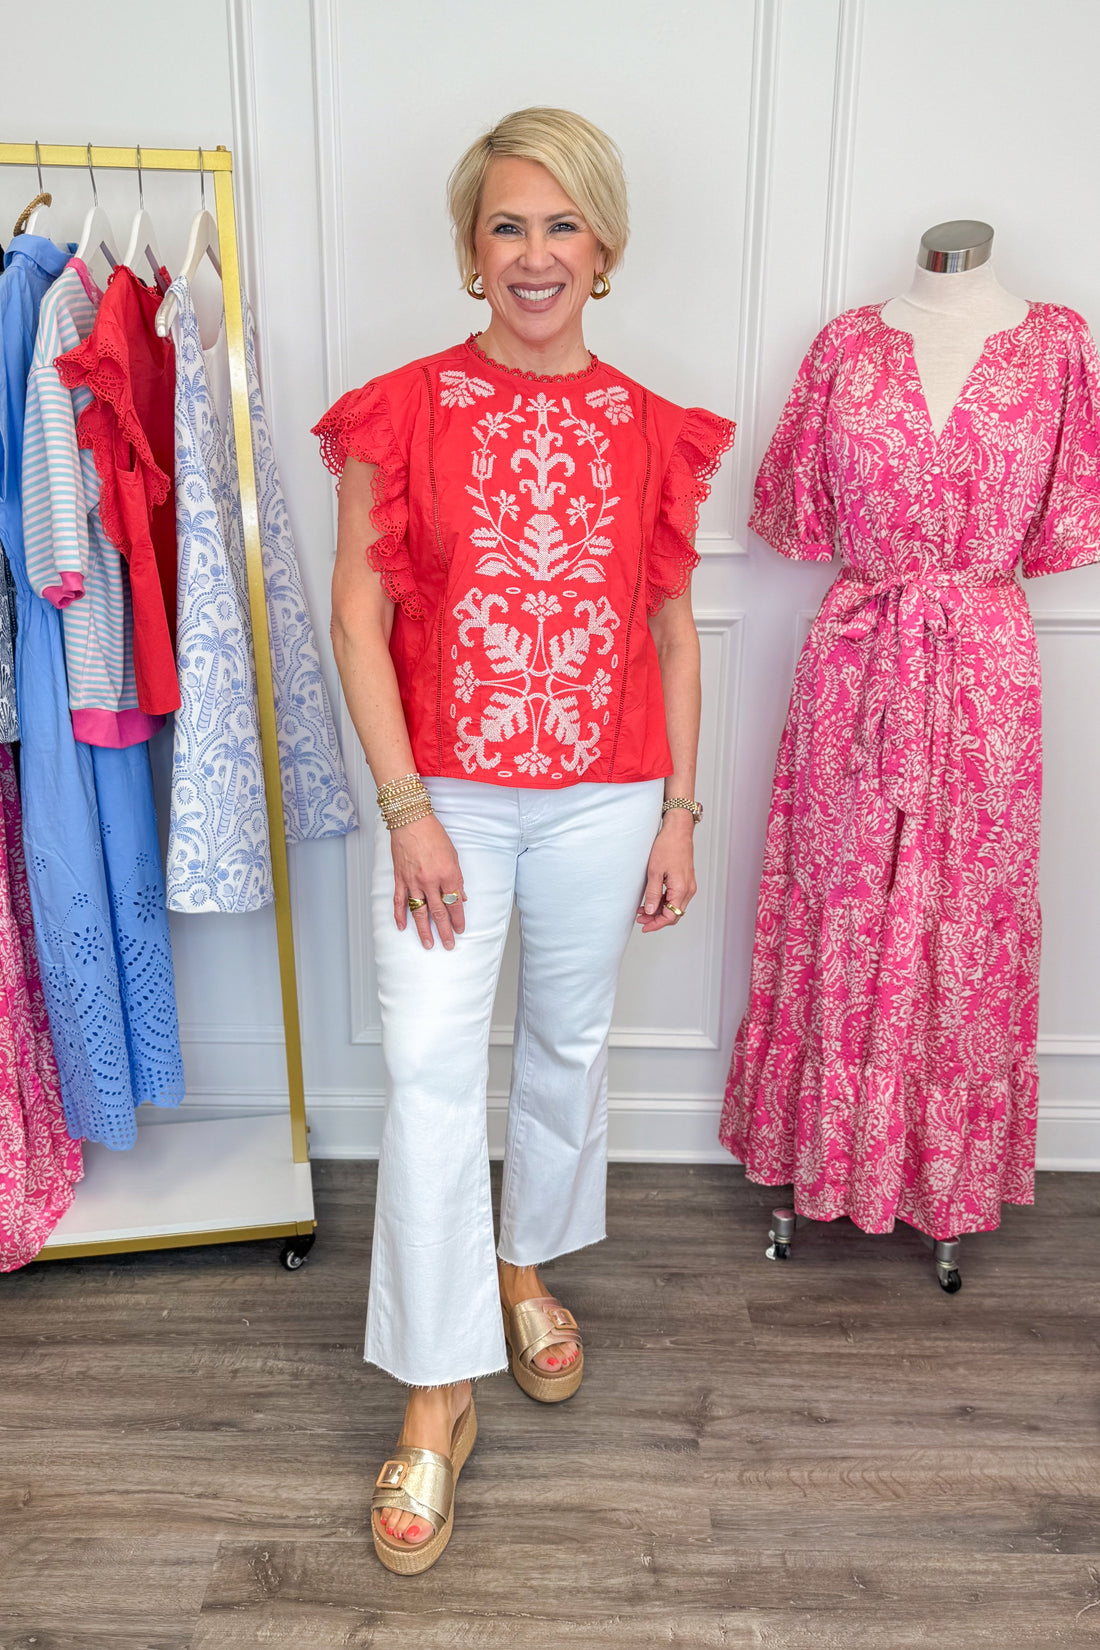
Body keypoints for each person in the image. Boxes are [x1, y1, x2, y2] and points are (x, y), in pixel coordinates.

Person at [315, 106, 734, 1575]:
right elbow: (357, 621)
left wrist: (678, 808)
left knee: (566, 1040)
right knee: (432, 1069)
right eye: (508, 225)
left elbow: (673, 635)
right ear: (469, 248)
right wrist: (408, 809)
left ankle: (521, 1267)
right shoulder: (396, 412)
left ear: (603, 248)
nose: (535, 254)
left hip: (608, 796)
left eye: (563, 225)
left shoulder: (653, 427)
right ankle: (437, 1392)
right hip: (444, 799)